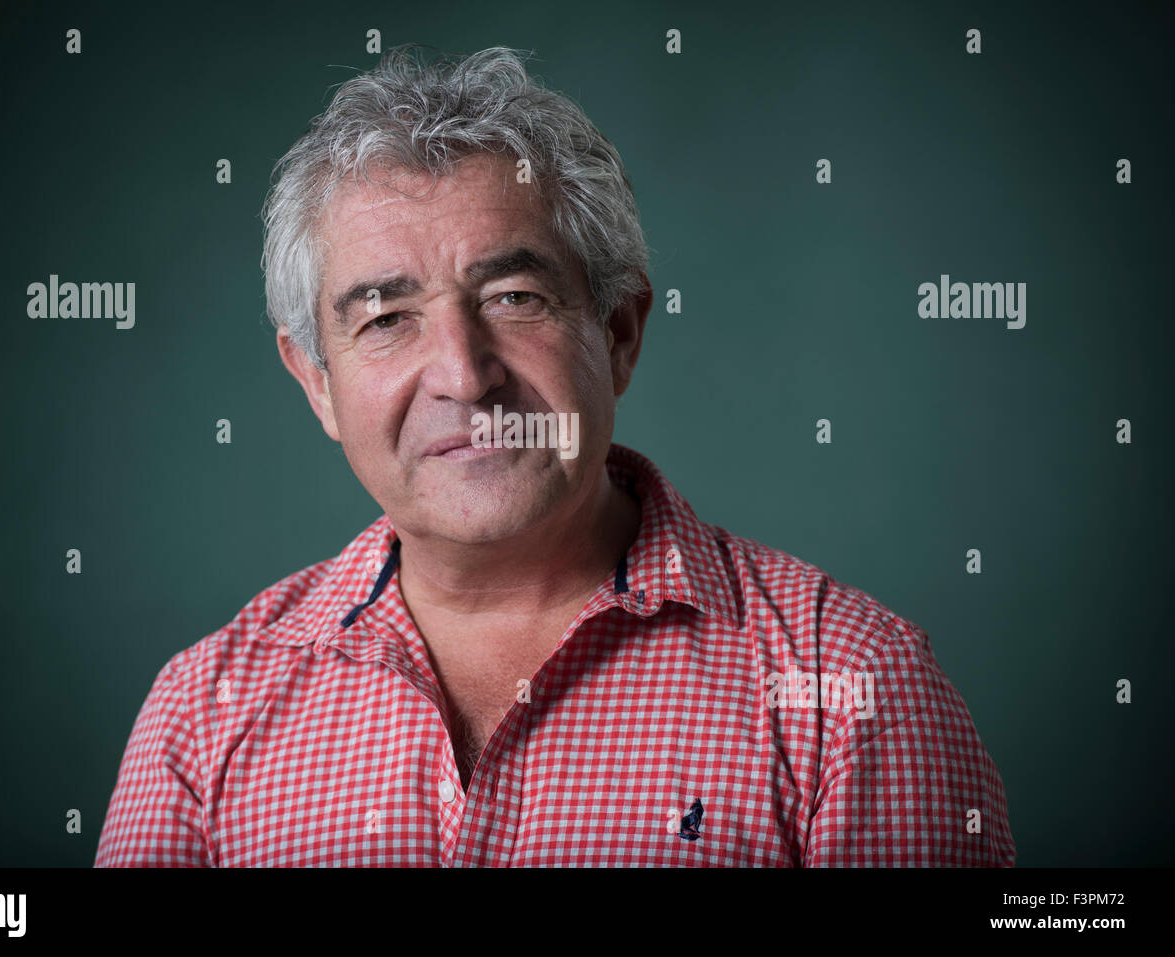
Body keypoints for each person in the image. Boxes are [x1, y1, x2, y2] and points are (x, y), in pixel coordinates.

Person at [95, 44, 1014, 867]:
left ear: (617, 331)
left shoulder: (850, 688)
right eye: (385, 318)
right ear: (318, 382)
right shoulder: (202, 712)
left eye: (515, 298)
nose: (462, 375)